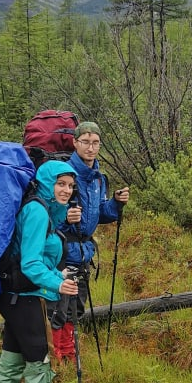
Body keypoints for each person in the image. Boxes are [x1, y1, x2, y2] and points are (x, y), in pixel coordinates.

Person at [0, 160, 80, 383]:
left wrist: (57, 273)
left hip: (15, 298)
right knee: (39, 368)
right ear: (46, 182)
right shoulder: (38, 211)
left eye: (70, 185)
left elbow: (35, 258)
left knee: (10, 367)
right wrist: (57, 284)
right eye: (61, 183)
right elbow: (29, 263)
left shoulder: (42, 209)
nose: (66, 190)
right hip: (27, 300)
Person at [50, 121, 130, 361]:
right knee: (59, 306)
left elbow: (99, 214)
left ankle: (69, 353)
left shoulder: (98, 178)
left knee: (76, 306)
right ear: (75, 143)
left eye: (95, 142)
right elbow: (47, 214)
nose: (91, 147)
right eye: (85, 142)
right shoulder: (64, 174)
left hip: (84, 251)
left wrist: (115, 203)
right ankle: (58, 355)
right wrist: (64, 216)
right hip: (62, 250)